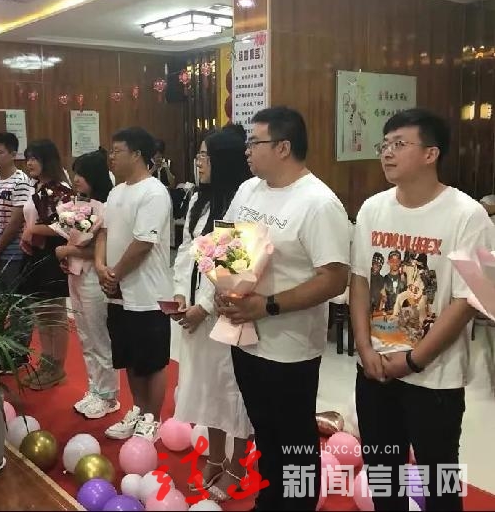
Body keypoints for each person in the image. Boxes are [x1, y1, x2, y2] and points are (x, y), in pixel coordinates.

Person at [350, 108, 495, 512]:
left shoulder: (470, 215)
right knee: (384, 478)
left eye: (399, 144)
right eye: (384, 145)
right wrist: (364, 347)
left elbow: (473, 298)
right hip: (375, 370)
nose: (387, 153)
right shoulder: (372, 208)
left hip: (436, 379)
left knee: (439, 482)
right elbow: (359, 280)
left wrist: (414, 359)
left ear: (431, 154)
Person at [212, 107, 350, 511]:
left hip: (289, 347)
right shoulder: (248, 190)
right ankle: (269, 501)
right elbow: (228, 246)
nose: (247, 151)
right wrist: (223, 288)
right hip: (244, 335)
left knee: (295, 443)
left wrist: (267, 306)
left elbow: (334, 278)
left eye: (254, 142)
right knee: (265, 433)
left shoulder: (318, 202)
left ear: (283, 147)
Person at [171, 129, 253, 502]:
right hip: (194, 308)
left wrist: (203, 306)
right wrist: (179, 292)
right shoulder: (197, 198)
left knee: (230, 387)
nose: (199, 163)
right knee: (206, 388)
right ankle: (216, 456)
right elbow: (187, 249)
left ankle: (238, 463)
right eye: (198, 156)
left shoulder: (241, 203)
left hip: (224, 311)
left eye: (206, 157)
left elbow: (232, 266)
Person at [95, 127, 172, 441]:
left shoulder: (154, 192)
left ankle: (153, 419)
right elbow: (103, 232)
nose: (111, 157)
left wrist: (113, 274)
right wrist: (100, 267)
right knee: (128, 356)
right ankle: (138, 410)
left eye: (117, 151)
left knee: (152, 361)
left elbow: (143, 243)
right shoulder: (116, 192)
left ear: (137, 154)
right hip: (118, 291)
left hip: (148, 292)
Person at [57, 150, 119, 418]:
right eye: (75, 173)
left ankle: (109, 395)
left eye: (81, 174)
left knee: (98, 336)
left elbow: (103, 249)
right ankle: (95, 388)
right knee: (84, 336)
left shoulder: (106, 207)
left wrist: (69, 250)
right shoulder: (77, 205)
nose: (76, 179)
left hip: (94, 276)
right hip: (76, 274)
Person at [19, 139, 73, 390]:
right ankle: (46, 362)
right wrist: (27, 234)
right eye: (28, 158)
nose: (29, 163)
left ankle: (57, 367)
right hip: (35, 255)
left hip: (53, 255)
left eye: (35, 158)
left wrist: (33, 231)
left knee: (54, 313)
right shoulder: (37, 186)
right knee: (41, 313)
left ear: (47, 160)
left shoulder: (61, 189)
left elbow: (67, 225)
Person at [0, 132, 31, 290]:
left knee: (12, 296)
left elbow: (15, 222)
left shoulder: (21, 181)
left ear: (13, 155)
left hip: (12, 252)